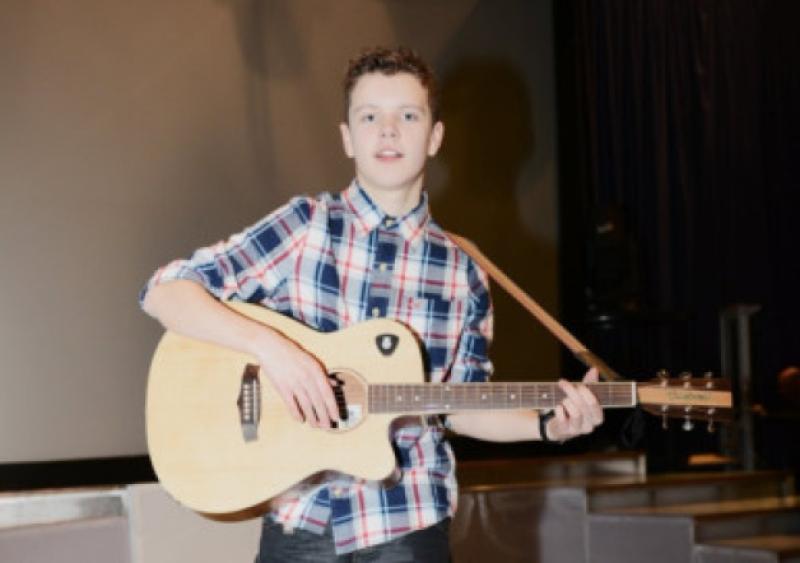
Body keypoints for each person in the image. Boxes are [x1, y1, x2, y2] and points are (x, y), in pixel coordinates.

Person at [141, 46, 603, 562]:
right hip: (302, 519)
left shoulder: (463, 269)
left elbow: (459, 404)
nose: (388, 131)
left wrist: (547, 425)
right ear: (347, 137)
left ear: (434, 137)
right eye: (370, 116)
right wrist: (275, 351)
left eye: (408, 115)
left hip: (408, 522)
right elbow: (165, 290)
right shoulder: (304, 227)